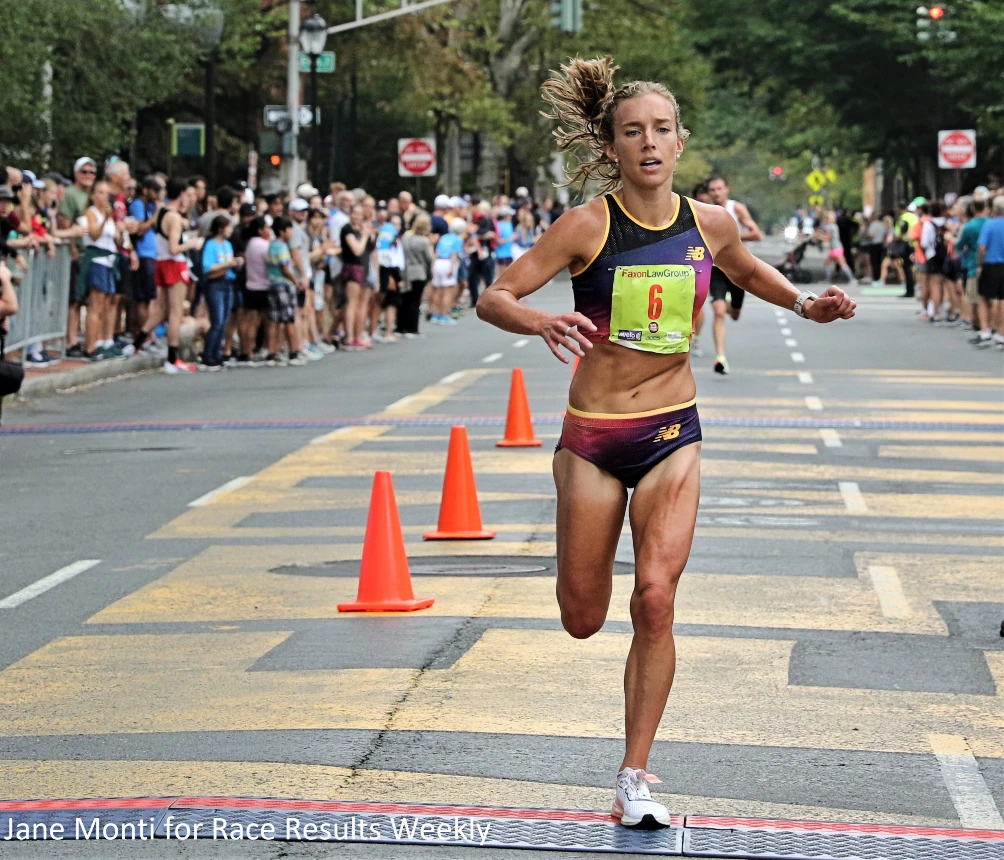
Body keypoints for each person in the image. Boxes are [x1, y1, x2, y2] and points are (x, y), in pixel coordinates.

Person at [476, 56, 855, 829]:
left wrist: (806, 305)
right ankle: (589, 579)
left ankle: (635, 775)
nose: (648, 143)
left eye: (661, 130)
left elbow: (750, 272)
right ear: (611, 147)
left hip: (673, 431)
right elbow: (496, 295)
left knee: (655, 597)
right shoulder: (588, 225)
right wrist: (541, 319)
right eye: (631, 132)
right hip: (592, 438)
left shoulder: (708, 224)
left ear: (681, 142)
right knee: (583, 616)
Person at [133, 178, 203, 373]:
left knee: (162, 310)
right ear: (181, 194)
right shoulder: (172, 217)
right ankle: (172, 359)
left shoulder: (161, 212)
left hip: (161, 262)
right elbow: (174, 248)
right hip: (174, 263)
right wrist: (192, 243)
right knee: (175, 312)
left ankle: (136, 343)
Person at [706, 174, 762, 375]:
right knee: (719, 312)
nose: (716, 193)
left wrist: (730, 238)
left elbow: (756, 233)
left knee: (734, 314)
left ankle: (731, 304)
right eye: (712, 190)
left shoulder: (736, 208)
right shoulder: (706, 211)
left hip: (739, 267)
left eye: (719, 189)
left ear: (726, 189)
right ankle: (720, 357)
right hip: (715, 269)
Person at [78, 181, 125, 360]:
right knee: (95, 306)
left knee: (107, 305)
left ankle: (102, 341)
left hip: (109, 261)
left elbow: (118, 242)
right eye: (100, 192)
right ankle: (90, 346)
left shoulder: (110, 216)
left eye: (106, 193)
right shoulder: (91, 213)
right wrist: (105, 217)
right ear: (93, 196)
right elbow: (94, 235)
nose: (105, 196)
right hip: (96, 261)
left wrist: (120, 231)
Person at [57, 157, 98, 357]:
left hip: (91, 252)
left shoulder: (92, 195)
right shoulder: (71, 194)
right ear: (75, 173)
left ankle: (81, 339)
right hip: (76, 252)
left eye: (92, 172)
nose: (89, 175)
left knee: (84, 299)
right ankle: (70, 341)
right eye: (85, 171)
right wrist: (72, 248)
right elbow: (64, 221)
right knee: (74, 299)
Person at [200, 214, 242, 369]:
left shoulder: (228, 245)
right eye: (228, 227)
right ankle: (208, 354)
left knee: (224, 321)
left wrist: (236, 263)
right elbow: (207, 267)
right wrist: (227, 264)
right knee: (217, 320)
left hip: (228, 283)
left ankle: (217, 353)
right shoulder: (211, 245)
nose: (230, 230)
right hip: (215, 284)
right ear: (220, 228)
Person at [127, 176, 163, 354]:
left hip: (151, 255)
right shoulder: (138, 205)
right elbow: (140, 228)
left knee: (148, 298)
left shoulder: (148, 206)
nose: (157, 196)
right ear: (146, 189)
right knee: (142, 299)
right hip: (143, 255)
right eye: (155, 191)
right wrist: (156, 214)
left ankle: (145, 336)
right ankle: (144, 337)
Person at [265, 216, 306, 365]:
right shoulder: (282, 247)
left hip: (272, 284)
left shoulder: (271, 246)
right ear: (282, 231)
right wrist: (296, 282)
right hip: (284, 285)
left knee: (274, 320)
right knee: (289, 318)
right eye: (289, 229)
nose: (291, 233)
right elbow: (285, 268)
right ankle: (293, 352)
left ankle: (272, 352)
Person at [340, 202, 375, 349]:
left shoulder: (361, 229)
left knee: (359, 304)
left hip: (362, 267)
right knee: (351, 304)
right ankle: (349, 337)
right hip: (352, 267)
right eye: (355, 213)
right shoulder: (347, 229)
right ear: (350, 214)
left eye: (360, 214)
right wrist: (365, 236)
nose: (357, 217)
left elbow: (371, 248)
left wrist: (370, 234)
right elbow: (357, 250)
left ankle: (357, 335)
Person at [240, 216, 272, 366]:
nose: (269, 230)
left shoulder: (251, 244)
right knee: (255, 321)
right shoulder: (263, 245)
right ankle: (250, 351)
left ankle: (247, 350)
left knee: (250, 320)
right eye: (266, 228)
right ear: (260, 230)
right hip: (261, 286)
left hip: (251, 284)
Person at [974, 195, 1004, 349]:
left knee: (984, 298)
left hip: (991, 264)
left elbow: (982, 247)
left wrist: (979, 264)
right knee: (1002, 300)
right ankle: (1001, 334)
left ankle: (985, 331)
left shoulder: (989, 225)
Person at [956, 198, 988, 335]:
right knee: (991, 299)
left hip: (973, 265)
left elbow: (959, 245)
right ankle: (991, 327)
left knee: (976, 299)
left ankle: (979, 325)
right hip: (992, 264)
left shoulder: (969, 226)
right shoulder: (990, 223)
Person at [401, 213, 434, 337]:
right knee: (415, 301)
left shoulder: (406, 238)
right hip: (419, 272)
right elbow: (429, 259)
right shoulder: (424, 242)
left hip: (407, 271)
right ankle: (412, 328)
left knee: (406, 300)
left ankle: (402, 326)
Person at [431, 217, 464, 324]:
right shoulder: (458, 240)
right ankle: (444, 315)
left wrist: (433, 265)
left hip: (438, 262)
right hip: (448, 262)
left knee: (438, 290)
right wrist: (451, 268)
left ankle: (435, 314)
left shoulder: (444, 237)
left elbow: (437, 251)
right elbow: (454, 254)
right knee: (447, 291)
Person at [819, 210, 856, 287]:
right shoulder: (833, 226)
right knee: (828, 263)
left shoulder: (830, 227)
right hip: (835, 247)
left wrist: (819, 236)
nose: (825, 220)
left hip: (836, 248)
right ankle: (827, 280)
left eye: (826, 218)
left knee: (842, 264)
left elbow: (827, 238)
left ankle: (852, 279)